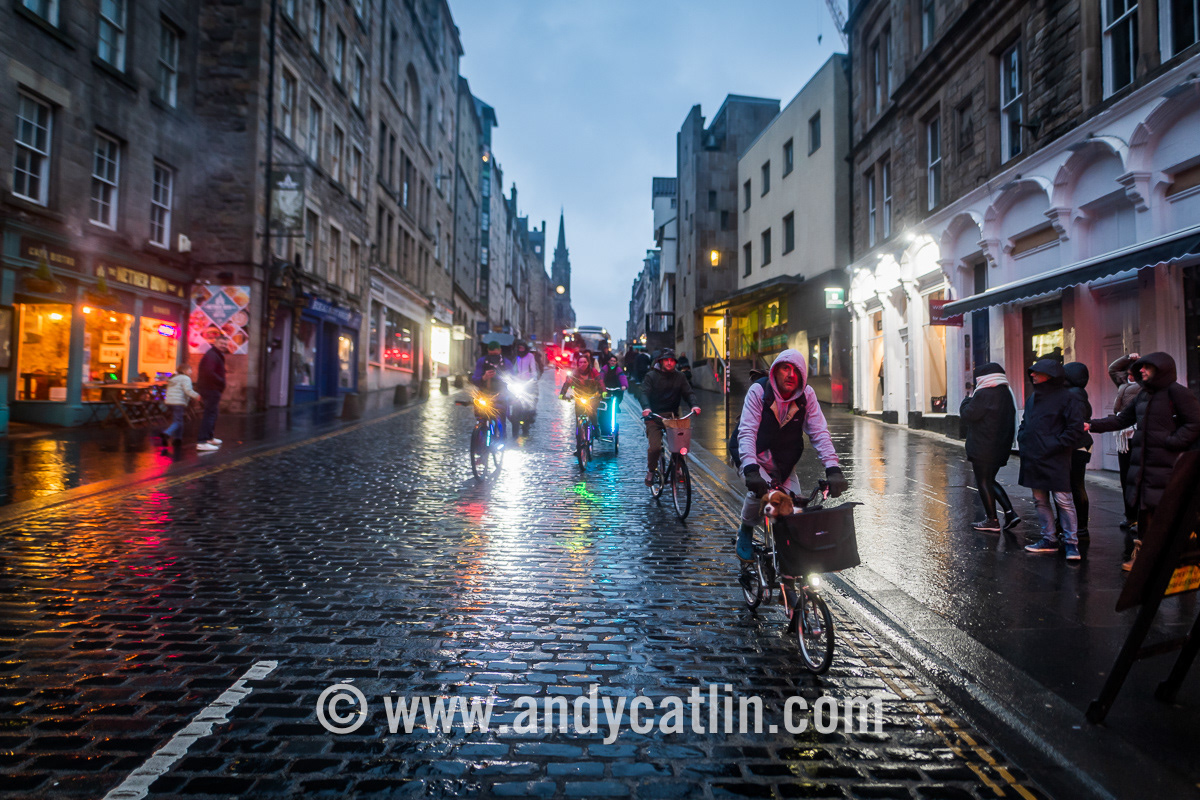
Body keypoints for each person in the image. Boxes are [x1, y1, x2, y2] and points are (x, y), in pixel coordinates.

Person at [1088, 352, 1200, 570]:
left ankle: (1178, 556)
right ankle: (1143, 557)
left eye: (1146, 367)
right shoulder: (1143, 395)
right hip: (1144, 465)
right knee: (1145, 509)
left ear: (1161, 369)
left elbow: (1195, 423)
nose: (1141, 370)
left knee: (1167, 510)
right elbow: (1122, 419)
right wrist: (1091, 425)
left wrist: (1171, 442)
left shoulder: (1178, 393)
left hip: (1169, 465)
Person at [733, 349, 847, 560]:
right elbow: (747, 432)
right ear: (775, 371)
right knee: (761, 494)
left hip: (783, 463)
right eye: (785, 368)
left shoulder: (807, 395)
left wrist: (833, 468)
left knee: (793, 509)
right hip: (752, 457)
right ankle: (746, 529)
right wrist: (750, 469)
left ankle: (788, 565)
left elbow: (819, 432)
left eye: (796, 370)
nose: (791, 374)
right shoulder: (759, 391)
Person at [1018, 360, 1084, 561]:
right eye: (1032, 372)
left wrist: (1055, 445)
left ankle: (1071, 543)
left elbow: (1075, 428)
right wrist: (1023, 439)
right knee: (1039, 500)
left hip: (1056, 458)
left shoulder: (1068, 398)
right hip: (1033, 457)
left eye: (1037, 372)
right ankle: (1049, 539)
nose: (1032, 375)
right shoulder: (1033, 397)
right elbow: (1026, 422)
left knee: (1063, 500)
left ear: (1050, 375)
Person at [959, 362, 1018, 532]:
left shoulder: (984, 393)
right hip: (1000, 446)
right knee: (990, 480)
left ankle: (992, 520)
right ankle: (1010, 513)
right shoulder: (1006, 393)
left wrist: (966, 401)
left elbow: (968, 415)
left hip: (983, 447)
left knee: (983, 481)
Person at [640, 348, 702, 486]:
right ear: (661, 362)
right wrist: (646, 408)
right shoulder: (651, 376)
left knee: (680, 445)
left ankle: (678, 468)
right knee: (655, 448)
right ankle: (651, 471)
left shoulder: (680, 377)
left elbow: (688, 393)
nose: (669, 363)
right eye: (666, 360)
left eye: (672, 361)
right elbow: (644, 393)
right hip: (654, 417)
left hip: (673, 417)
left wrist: (694, 405)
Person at [1107, 352, 1143, 532]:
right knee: (1126, 477)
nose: (1130, 375)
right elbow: (1112, 369)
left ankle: (1138, 516)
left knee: (1138, 478)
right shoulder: (1123, 384)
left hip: (1137, 434)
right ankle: (1130, 515)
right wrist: (1129, 357)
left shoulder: (1145, 386)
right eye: (1129, 372)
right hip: (1123, 436)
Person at [1063, 362, 1094, 542]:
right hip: (1081, 444)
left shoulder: (1073, 395)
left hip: (1076, 445)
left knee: (1075, 485)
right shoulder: (1078, 393)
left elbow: (1074, 423)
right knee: (1076, 485)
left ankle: (1081, 527)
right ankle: (1078, 526)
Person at [195, 336, 230, 452]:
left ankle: (209, 438)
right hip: (210, 389)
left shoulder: (216, 354)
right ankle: (202, 441)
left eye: (225, 344)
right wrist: (220, 381)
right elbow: (209, 372)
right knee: (209, 414)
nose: (223, 346)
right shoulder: (212, 355)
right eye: (221, 343)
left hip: (212, 388)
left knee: (212, 413)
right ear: (215, 342)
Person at [471, 341, 513, 437]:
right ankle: (481, 435)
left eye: (495, 353)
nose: (494, 356)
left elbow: (512, 379)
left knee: (501, 422)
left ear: (500, 351)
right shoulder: (482, 361)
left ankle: (501, 439)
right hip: (484, 395)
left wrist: (501, 378)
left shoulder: (506, 363)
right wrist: (484, 377)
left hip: (501, 396)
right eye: (492, 353)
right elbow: (475, 379)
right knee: (481, 417)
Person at [560, 351, 605, 439]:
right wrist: (562, 394)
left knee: (592, 413)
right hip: (579, 397)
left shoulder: (593, 371)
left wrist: (603, 392)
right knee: (578, 418)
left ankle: (596, 428)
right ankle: (579, 440)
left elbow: (600, 381)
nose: (582, 364)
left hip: (592, 396)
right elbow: (567, 383)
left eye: (585, 362)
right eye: (580, 362)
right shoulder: (575, 372)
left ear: (588, 363)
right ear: (578, 363)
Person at [159, 362, 200, 447]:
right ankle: (166, 433)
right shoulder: (186, 378)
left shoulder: (174, 378)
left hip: (169, 402)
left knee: (179, 421)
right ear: (185, 370)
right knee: (177, 421)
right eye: (190, 370)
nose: (191, 371)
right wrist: (197, 396)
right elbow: (188, 390)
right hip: (178, 402)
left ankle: (178, 439)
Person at [600, 353, 629, 435]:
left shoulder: (618, 370)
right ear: (608, 361)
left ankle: (617, 406)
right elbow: (601, 377)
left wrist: (624, 385)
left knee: (617, 399)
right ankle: (604, 430)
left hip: (616, 389)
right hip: (606, 389)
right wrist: (601, 386)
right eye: (611, 361)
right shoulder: (605, 369)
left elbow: (622, 377)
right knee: (604, 410)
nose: (612, 362)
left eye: (614, 361)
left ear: (616, 362)